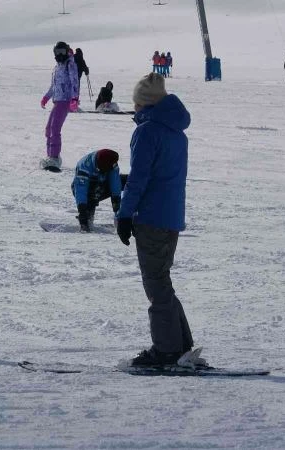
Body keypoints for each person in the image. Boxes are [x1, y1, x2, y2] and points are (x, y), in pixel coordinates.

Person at [115, 73, 196, 367]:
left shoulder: (148, 131)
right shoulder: (177, 132)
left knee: (156, 284)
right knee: (162, 280)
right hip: (171, 217)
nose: (134, 107)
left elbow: (139, 179)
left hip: (151, 217)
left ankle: (166, 351)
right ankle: (180, 344)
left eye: (137, 102)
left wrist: (124, 214)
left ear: (145, 103)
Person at [40, 41, 79, 172]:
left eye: (62, 52)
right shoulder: (57, 67)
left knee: (54, 128)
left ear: (67, 51)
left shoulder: (70, 64)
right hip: (57, 100)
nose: (60, 55)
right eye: (57, 52)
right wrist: (46, 97)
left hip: (65, 100)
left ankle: (54, 157)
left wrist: (74, 98)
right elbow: (54, 86)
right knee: (48, 129)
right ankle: (50, 156)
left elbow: (75, 82)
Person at [72, 149, 124, 232]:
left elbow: (115, 183)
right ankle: (87, 219)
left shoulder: (112, 163)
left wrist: (117, 206)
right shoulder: (85, 166)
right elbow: (81, 189)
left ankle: (128, 216)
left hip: (101, 184)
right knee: (93, 191)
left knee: (128, 181)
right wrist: (82, 211)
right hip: (84, 188)